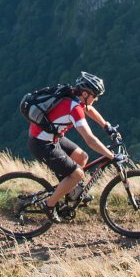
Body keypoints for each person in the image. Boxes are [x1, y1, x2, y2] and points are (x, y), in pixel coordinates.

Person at [26, 71, 118, 222]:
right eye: (95, 96)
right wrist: (111, 156)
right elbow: (90, 140)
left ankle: (71, 192)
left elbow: (89, 109)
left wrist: (106, 126)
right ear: (86, 94)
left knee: (82, 157)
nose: (96, 99)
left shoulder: (74, 96)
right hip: (41, 143)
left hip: (49, 137)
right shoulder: (74, 108)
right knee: (78, 174)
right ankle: (49, 205)